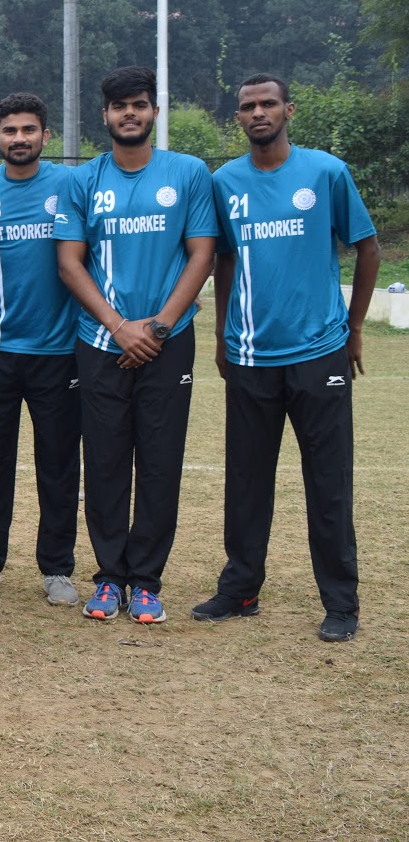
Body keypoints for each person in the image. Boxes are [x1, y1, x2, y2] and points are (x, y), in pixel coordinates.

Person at [192, 74, 378, 643]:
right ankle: (241, 588)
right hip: (251, 356)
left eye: (267, 103)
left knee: (328, 483)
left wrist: (354, 327)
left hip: (319, 352)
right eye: (247, 106)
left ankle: (341, 603)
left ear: (288, 109)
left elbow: (367, 247)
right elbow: (223, 260)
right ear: (238, 118)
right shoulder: (224, 182)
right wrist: (222, 334)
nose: (258, 112)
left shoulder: (325, 172)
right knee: (246, 480)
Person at [54, 65, 216, 624]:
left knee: (160, 461)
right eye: (120, 106)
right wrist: (119, 326)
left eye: (139, 104)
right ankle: (108, 577)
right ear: (104, 115)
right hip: (101, 341)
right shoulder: (82, 180)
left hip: (169, 341)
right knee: (104, 462)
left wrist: (158, 327)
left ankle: (146, 581)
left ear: (154, 112)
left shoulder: (189, 173)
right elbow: (69, 263)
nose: (130, 114)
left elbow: (201, 254)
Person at [0, 93, 82, 607]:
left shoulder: (70, 184)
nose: (19, 138)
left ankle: (57, 568)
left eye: (29, 129)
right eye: (10, 131)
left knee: (58, 462)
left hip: (59, 349)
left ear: (45, 136)